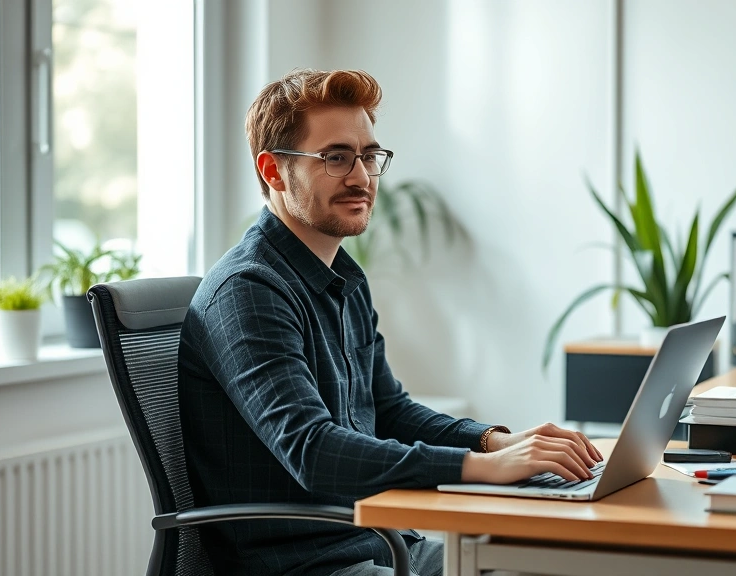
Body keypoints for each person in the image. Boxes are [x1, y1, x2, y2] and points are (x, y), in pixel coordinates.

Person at [177, 68, 604, 576]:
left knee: (555, 559)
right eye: (335, 157)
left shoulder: (342, 279)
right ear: (273, 171)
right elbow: (313, 450)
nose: (361, 177)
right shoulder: (249, 290)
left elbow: (388, 409)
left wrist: (496, 442)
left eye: (368, 156)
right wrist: (483, 469)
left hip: (381, 544)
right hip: (305, 564)